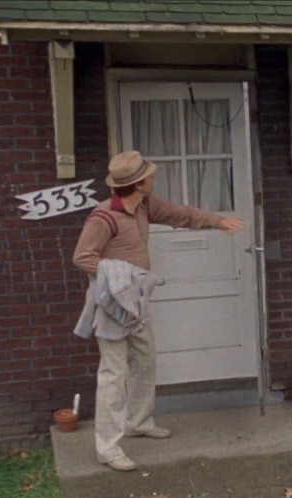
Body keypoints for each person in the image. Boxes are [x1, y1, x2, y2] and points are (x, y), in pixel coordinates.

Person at [71, 150, 244, 472]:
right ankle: (108, 448)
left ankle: (137, 421)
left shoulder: (145, 206)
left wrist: (217, 221)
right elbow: (82, 257)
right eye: (148, 175)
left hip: (136, 302)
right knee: (113, 374)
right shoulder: (103, 217)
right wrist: (119, 277)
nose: (153, 177)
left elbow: (181, 215)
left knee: (145, 359)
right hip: (111, 305)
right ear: (139, 183)